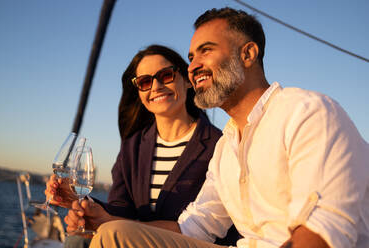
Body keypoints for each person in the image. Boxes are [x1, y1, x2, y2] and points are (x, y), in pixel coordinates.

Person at [74, 7, 369, 248]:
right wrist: (105, 220)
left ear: (248, 54)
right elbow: (196, 225)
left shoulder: (307, 113)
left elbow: (324, 234)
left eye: (206, 51)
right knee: (115, 235)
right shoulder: (226, 147)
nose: (192, 66)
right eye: (191, 58)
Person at [46, 45, 241, 246]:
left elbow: (205, 226)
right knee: (78, 237)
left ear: (186, 80)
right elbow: (120, 209)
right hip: (134, 242)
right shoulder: (133, 147)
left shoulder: (219, 145)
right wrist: (83, 203)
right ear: (139, 92)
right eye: (145, 82)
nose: (155, 86)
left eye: (166, 75)